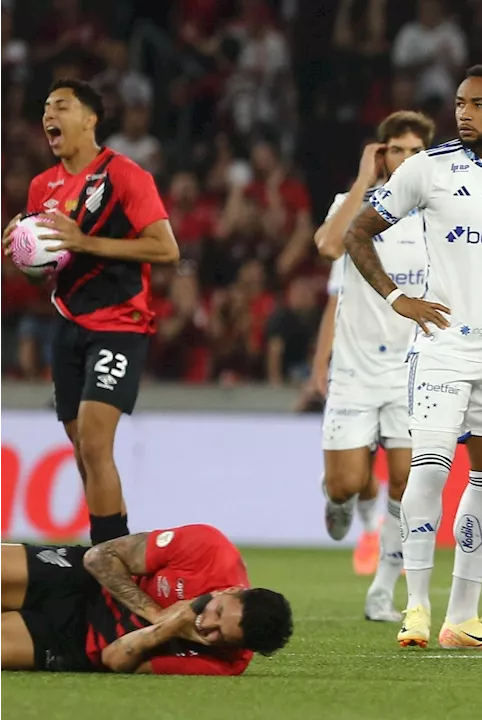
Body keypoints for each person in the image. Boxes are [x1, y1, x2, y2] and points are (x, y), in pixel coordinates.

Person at [342, 64, 482, 651]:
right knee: (431, 467)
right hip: (443, 346)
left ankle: (463, 618)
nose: (463, 112)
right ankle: (415, 606)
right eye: (460, 103)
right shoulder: (428, 168)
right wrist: (399, 298)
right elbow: (357, 232)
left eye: (476, 104)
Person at [1, 79, 178, 547]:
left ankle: (104, 565)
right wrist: (21, 256)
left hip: (120, 325)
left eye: (61, 105)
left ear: (90, 119)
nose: (48, 115)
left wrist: (86, 242)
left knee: (97, 443)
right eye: (45, 107)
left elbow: (166, 249)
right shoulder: (43, 187)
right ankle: (117, 551)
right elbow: (47, 271)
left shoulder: (124, 175)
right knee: (83, 452)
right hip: (68, 326)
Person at [311, 110, 435, 622]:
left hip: (411, 370)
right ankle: (342, 496)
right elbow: (326, 247)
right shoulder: (353, 206)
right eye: (396, 150)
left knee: (408, 482)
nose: (405, 159)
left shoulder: (437, 212)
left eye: (415, 151)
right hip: (356, 372)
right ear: (380, 153)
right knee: (347, 482)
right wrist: (363, 180)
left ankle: (382, 591)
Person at [0, 524, 293, 674]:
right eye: (217, 612)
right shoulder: (210, 550)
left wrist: (168, 627)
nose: (207, 626)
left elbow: (113, 660)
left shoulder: (227, 663)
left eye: (220, 636)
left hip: (83, 641)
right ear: (230, 590)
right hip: (85, 581)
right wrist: (155, 613)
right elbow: (99, 557)